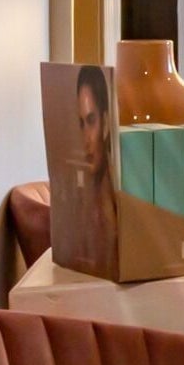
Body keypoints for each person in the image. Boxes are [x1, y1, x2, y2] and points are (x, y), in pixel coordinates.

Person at [51, 63, 119, 277]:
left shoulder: (123, 196)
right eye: (81, 123)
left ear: (107, 122)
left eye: (91, 121)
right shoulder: (78, 200)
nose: (85, 139)